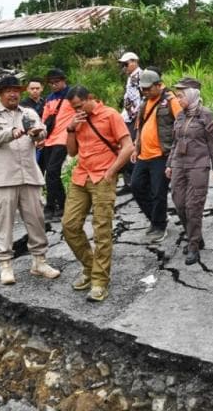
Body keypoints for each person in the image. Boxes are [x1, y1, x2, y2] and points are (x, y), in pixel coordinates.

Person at [0, 76, 60, 286]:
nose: (13, 94)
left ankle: (40, 262)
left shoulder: (29, 113)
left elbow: (43, 133)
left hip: (30, 176)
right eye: (8, 90)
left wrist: (37, 133)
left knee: (37, 221)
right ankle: (6, 265)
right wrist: (12, 133)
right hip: (3, 179)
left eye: (16, 90)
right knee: (3, 224)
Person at [62, 85, 133, 302]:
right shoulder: (77, 120)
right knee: (69, 225)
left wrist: (111, 172)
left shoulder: (110, 115)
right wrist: (71, 129)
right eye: (73, 108)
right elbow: (72, 152)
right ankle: (90, 267)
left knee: (101, 229)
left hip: (103, 176)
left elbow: (128, 146)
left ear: (90, 98)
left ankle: (99, 281)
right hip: (81, 176)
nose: (77, 110)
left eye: (79, 105)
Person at [165, 77, 213, 266]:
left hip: (199, 165)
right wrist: (170, 164)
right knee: (179, 204)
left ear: (191, 95)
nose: (178, 100)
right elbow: (175, 142)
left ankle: (193, 246)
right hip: (180, 164)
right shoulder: (180, 116)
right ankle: (194, 236)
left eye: (181, 96)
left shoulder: (206, 115)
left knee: (193, 207)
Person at [131, 70, 182, 243]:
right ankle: (156, 219)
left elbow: (181, 124)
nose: (144, 92)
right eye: (142, 89)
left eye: (148, 88)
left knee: (158, 192)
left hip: (162, 154)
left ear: (159, 85)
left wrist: (177, 154)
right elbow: (140, 126)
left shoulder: (171, 101)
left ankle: (159, 225)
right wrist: (136, 147)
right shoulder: (145, 102)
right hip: (144, 155)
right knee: (136, 186)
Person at [41, 68, 75, 221]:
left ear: (63, 80)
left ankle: (52, 206)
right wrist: (40, 137)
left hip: (64, 137)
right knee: (51, 173)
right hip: (49, 138)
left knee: (52, 171)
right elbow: (44, 119)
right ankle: (60, 204)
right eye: (51, 83)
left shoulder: (72, 94)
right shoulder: (49, 98)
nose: (54, 85)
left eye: (57, 82)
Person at [118, 51, 142, 190]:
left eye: (126, 64)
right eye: (123, 65)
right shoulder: (130, 77)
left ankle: (134, 180)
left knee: (130, 147)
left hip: (135, 116)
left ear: (134, 62)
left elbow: (142, 98)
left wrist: (138, 115)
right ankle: (130, 180)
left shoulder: (140, 76)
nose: (124, 67)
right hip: (128, 116)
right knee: (124, 146)